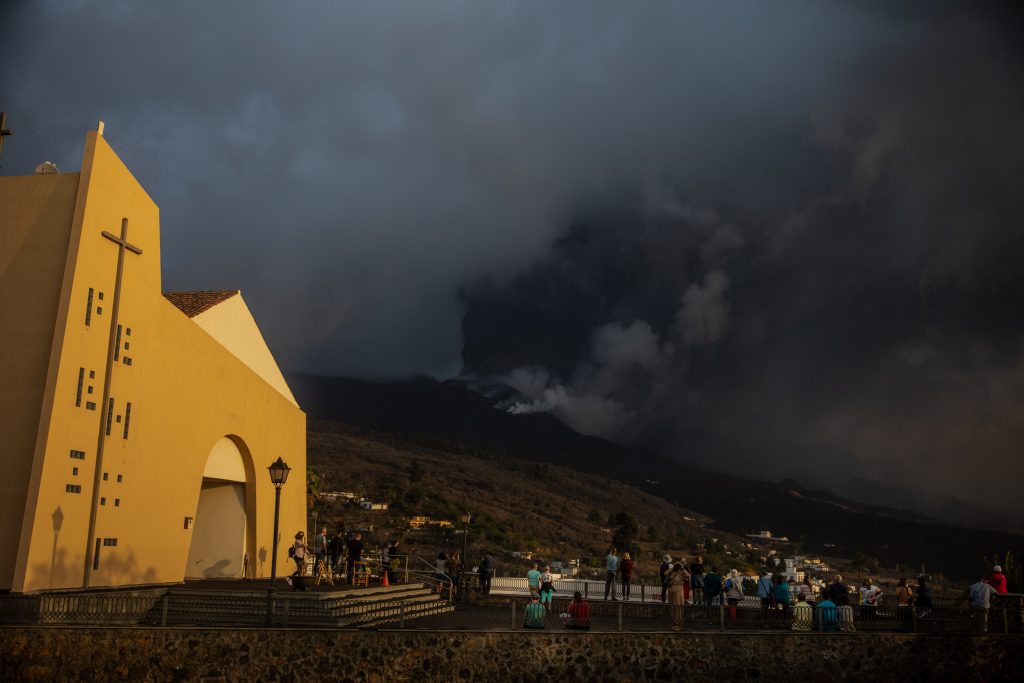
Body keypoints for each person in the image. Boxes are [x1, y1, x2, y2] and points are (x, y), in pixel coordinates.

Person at [665, 562, 690, 631]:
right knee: (672, 607)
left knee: (678, 606)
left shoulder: (682, 573)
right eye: (676, 566)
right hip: (671, 592)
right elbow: (665, 573)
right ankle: (675, 623)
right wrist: (673, 568)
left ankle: (679, 624)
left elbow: (688, 575)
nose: (677, 567)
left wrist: (682, 568)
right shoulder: (673, 572)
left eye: (677, 566)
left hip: (678, 592)